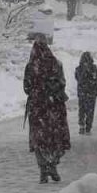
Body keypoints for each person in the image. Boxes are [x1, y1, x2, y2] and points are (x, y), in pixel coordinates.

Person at [24, 40, 71, 183]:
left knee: (39, 140)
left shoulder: (31, 66)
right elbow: (62, 83)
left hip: (38, 108)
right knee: (55, 138)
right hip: (54, 107)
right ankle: (53, 165)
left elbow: (26, 87)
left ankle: (43, 169)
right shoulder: (56, 64)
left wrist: (37, 91)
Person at [75, 52, 97, 135]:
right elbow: (79, 79)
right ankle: (84, 126)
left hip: (87, 93)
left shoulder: (93, 68)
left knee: (84, 110)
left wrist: (93, 77)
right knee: (86, 111)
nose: (86, 63)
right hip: (87, 93)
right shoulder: (79, 69)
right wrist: (91, 77)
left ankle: (85, 126)